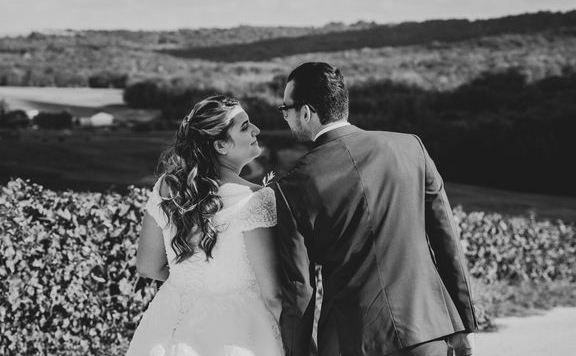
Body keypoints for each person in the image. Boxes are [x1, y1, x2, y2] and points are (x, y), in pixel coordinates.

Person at [275, 62, 477, 356]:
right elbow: (448, 243)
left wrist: (299, 352)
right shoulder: (411, 148)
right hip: (427, 330)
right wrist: (462, 324)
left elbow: (299, 289)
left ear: (306, 112)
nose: (284, 116)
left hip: (349, 342)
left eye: (285, 109)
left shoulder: (293, 185)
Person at [126, 95, 284, 356]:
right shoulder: (255, 199)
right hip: (237, 332)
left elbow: (147, 266)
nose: (256, 130)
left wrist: (191, 285)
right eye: (245, 127)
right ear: (221, 145)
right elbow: (273, 294)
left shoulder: (168, 187)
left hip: (169, 322)